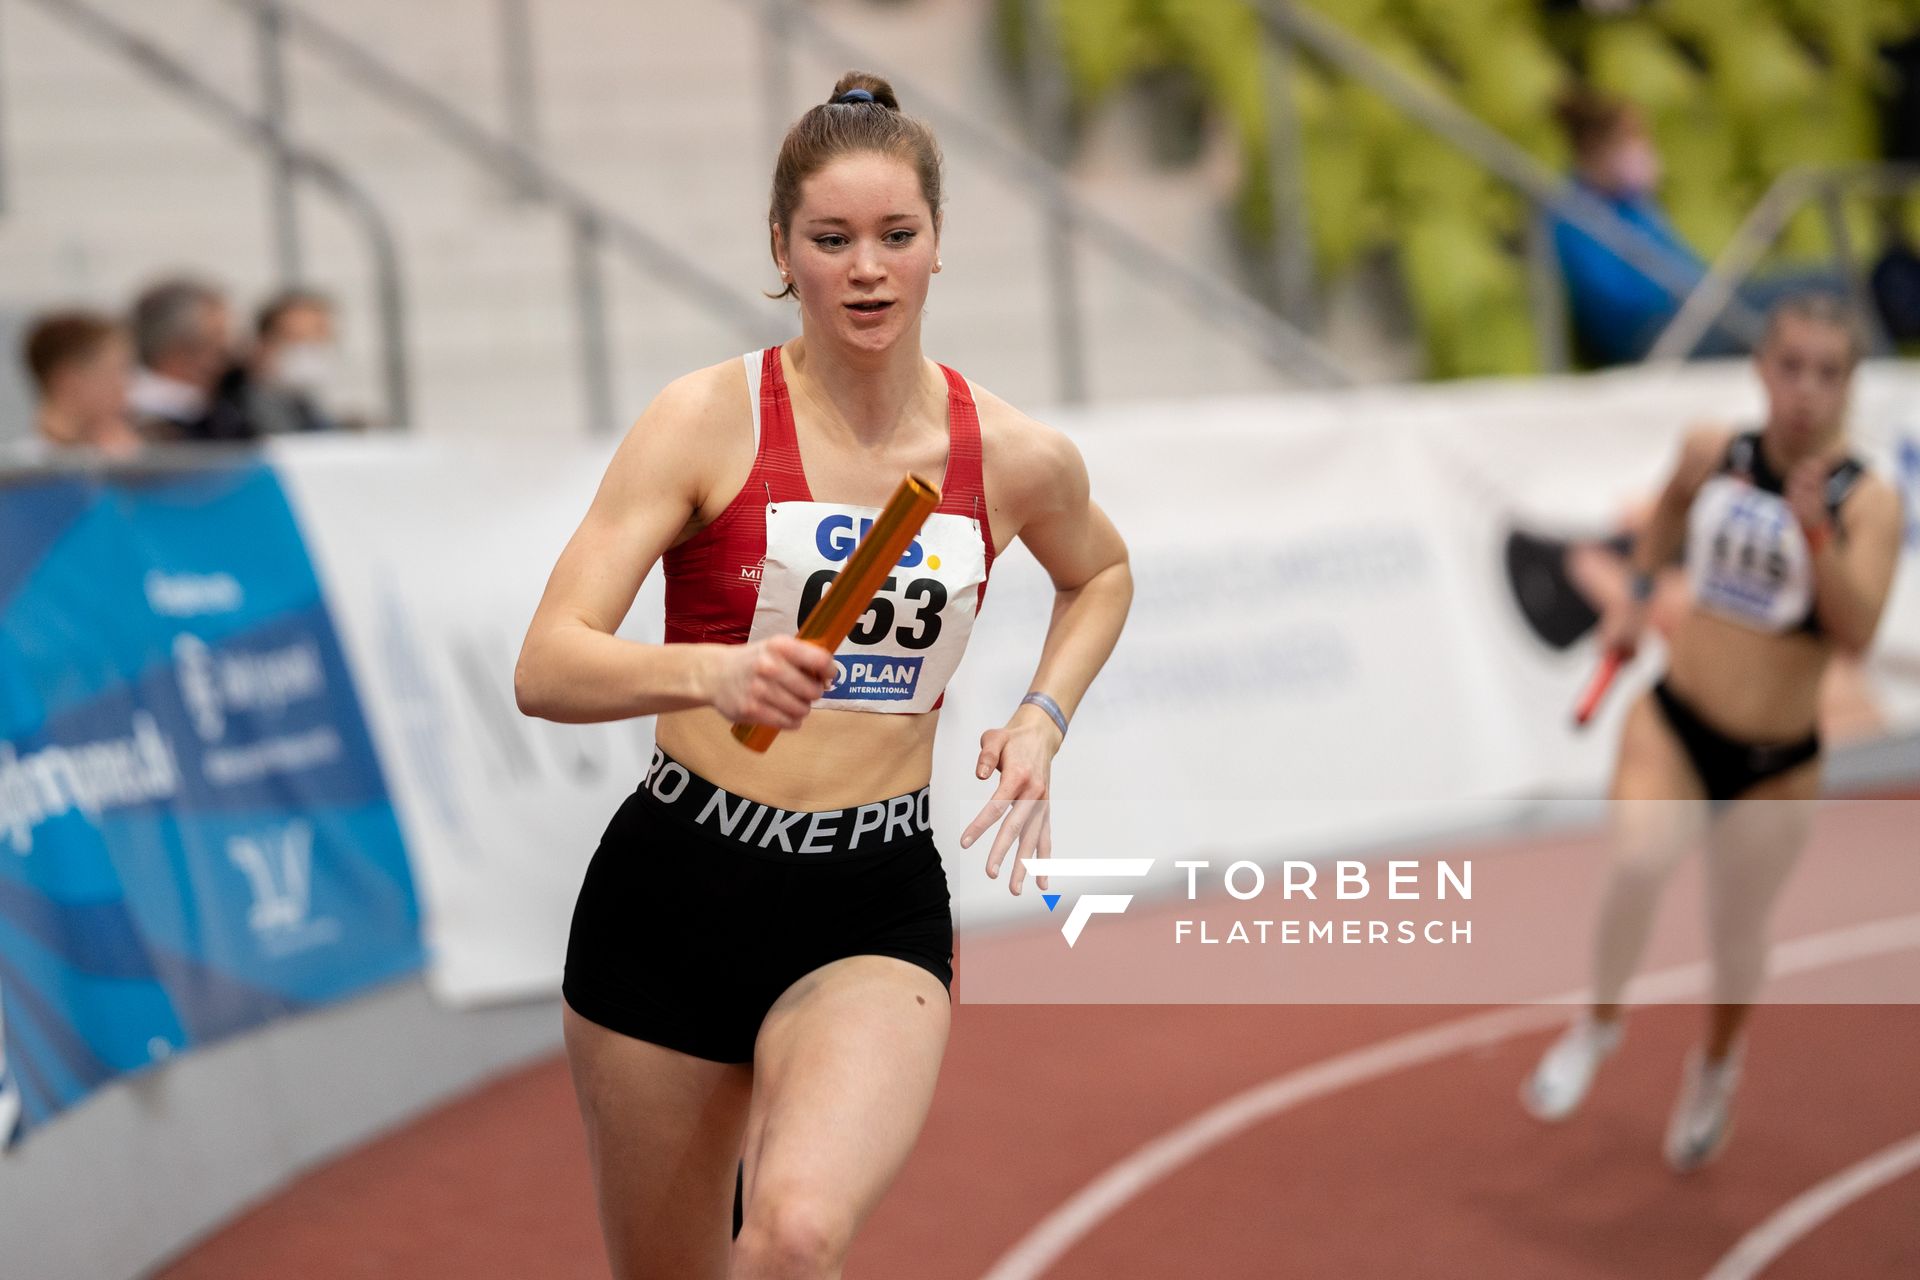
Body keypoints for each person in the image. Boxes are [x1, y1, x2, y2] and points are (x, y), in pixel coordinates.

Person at [513, 72, 1132, 1278]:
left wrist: (1044, 715)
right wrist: (711, 674)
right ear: (782, 249)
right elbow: (547, 663)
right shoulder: (704, 421)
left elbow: (1101, 573)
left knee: (794, 1233)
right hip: (672, 891)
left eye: (897, 236)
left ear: (938, 248)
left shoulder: (1010, 455)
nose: (865, 269)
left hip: (869, 900)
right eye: (832, 239)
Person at [1520, 294, 1905, 1171]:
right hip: (1676, 719)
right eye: (1790, 366)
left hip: (1777, 761)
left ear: (1849, 385)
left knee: (1738, 933)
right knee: (1640, 861)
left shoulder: (1866, 501)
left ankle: (1716, 1069)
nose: (1805, 389)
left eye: (1827, 372)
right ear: (1763, 371)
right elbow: (1662, 512)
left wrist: (1813, 530)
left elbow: (1857, 634)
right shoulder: (1713, 450)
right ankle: (1600, 1023)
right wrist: (1643, 591)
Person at [128, 276, 255, 442]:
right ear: (178, 349)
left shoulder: (226, 406)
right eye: (218, 338)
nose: (230, 350)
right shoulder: (140, 421)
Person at [21, 309, 144, 457]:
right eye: (116, 372)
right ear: (68, 381)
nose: (126, 385)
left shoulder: (131, 458)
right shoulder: (20, 472)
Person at [233, 288, 347, 434]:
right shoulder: (232, 416)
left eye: (319, 338)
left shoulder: (308, 407)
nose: (310, 350)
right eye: (296, 339)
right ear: (262, 344)